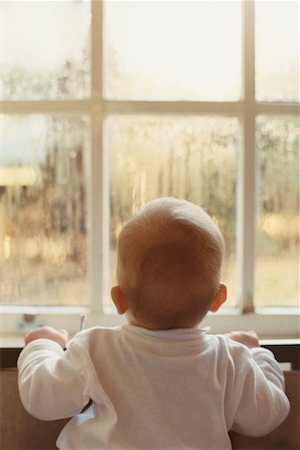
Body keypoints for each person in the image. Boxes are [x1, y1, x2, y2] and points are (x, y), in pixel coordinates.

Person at [18, 197, 290, 450]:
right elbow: (268, 415)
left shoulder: (95, 348)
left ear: (119, 299)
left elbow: (42, 397)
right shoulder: (230, 359)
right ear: (218, 299)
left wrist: (43, 344)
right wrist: (257, 354)